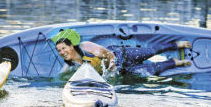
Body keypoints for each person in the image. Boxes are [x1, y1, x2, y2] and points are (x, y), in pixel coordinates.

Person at [54, 30, 191, 76]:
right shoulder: (70, 63)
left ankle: (176, 45)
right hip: (122, 69)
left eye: (64, 48)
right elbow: (62, 73)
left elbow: (108, 55)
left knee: (150, 51)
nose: (62, 52)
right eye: (59, 50)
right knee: (151, 70)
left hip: (122, 55)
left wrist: (112, 73)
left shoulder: (85, 47)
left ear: (71, 46)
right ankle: (175, 62)